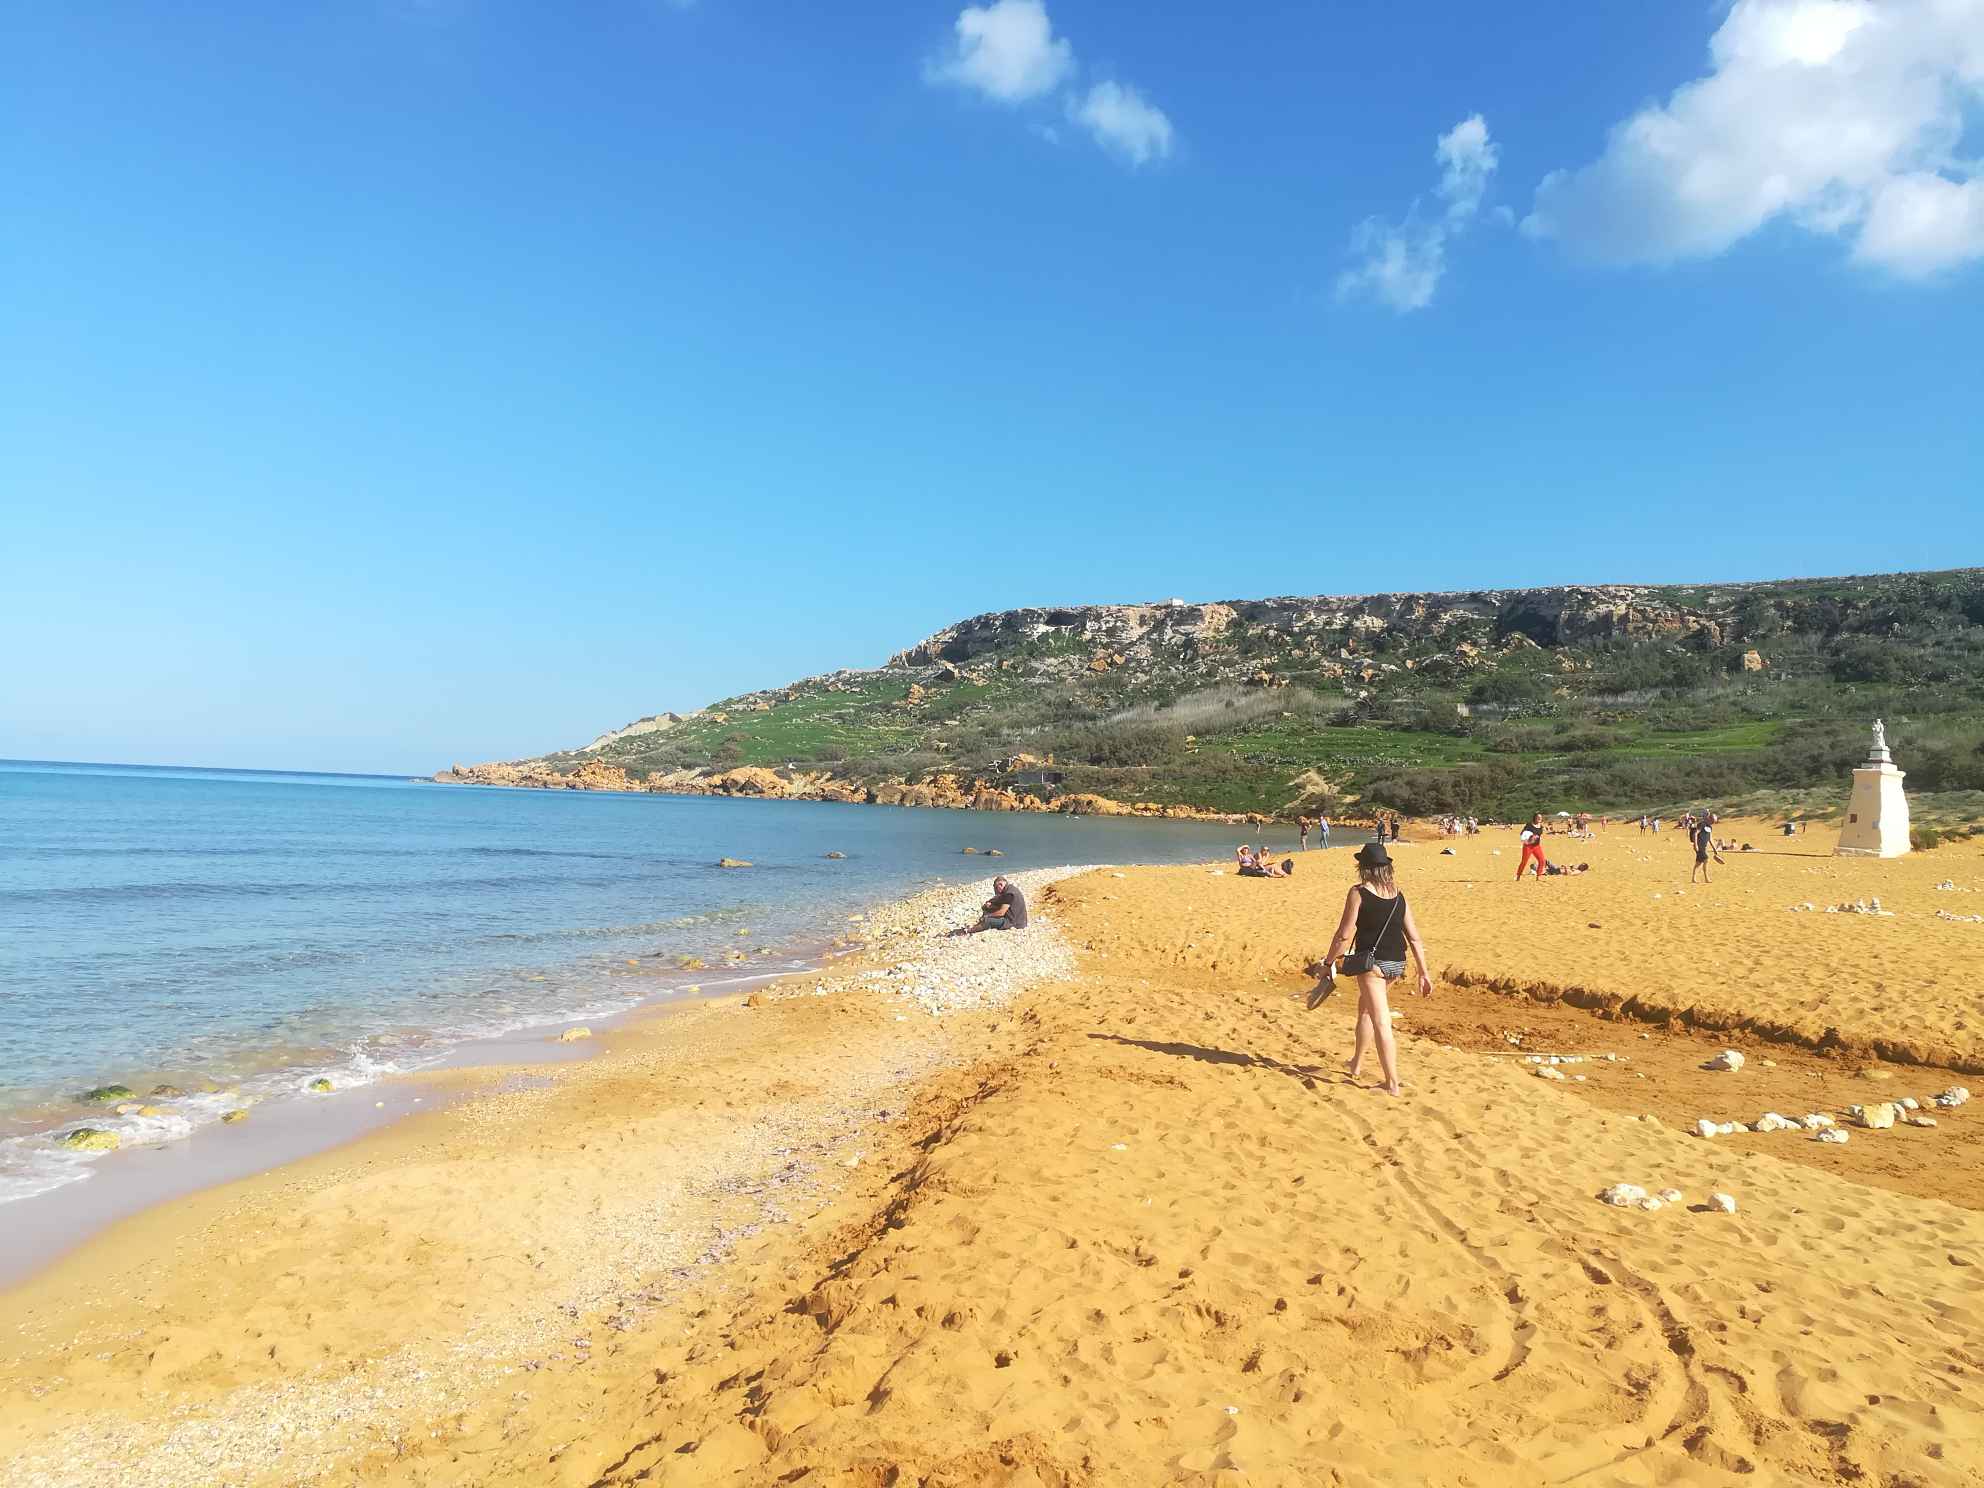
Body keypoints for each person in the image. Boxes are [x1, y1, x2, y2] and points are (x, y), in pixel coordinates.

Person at [1319, 842, 1433, 1097]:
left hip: (1373, 965)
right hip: (1397, 963)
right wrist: (1423, 973)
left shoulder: (1358, 892)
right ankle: (1356, 1064)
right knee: (1366, 1010)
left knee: (1381, 1019)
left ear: (1363, 867)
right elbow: (1414, 937)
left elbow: (1343, 935)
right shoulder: (1398, 894)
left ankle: (1391, 1083)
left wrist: (1328, 964)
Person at [955, 875, 1027, 934]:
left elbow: (1001, 912)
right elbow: (999, 899)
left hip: (1014, 922)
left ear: (1001, 885)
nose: (995, 890)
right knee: (987, 908)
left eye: (996, 888)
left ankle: (968, 931)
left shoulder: (1009, 894)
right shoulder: (1009, 889)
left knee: (988, 920)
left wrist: (987, 916)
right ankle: (978, 925)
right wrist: (990, 903)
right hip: (1016, 918)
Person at [1517, 813, 1548, 880]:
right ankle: (1518, 875)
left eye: (1540, 817)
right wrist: (1530, 837)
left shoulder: (1541, 827)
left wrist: (1537, 838)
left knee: (1542, 860)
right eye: (1538, 817)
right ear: (1535, 818)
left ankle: (1538, 876)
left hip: (1536, 846)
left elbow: (1539, 836)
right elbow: (1522, 834)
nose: (1540, 818)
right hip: (1528, 846)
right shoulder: (1529, 825)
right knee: (1524, 861)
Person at [1691, 814, 1719, 883]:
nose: (1713, 822)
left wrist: (1714, 848)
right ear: (1709, 818)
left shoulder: (1710, 827)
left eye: (1714, 821)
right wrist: (1695, 845)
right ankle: (1706, 878)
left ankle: (1693, 879)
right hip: (1699, 845)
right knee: (1706, 859)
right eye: (1712, 820)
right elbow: (1695, 834)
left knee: (1698, 862)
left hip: (1704, 846)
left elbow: (1710, 838)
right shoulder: (1702, 824)